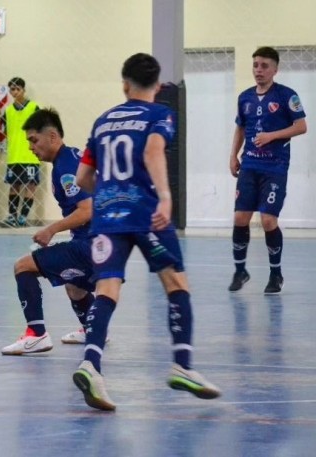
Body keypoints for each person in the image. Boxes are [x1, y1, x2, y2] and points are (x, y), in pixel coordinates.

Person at [73, 53, 220, 411]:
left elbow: (82, 179)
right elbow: (155, 151)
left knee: (107, 289)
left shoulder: (103, 120)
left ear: (125, 84)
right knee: (176, 284)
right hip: (146, 215)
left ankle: (91, 363)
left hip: (107, 218)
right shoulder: (159, 114)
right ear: (157, 86)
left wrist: (108, 193)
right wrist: (165, 197)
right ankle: (183, 365)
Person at [1, 108, 98, 355]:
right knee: (74, 286)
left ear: (53, 137)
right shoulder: (71, 158)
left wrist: (50, 230)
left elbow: (87, 210)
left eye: (34, 140)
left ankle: (36, 334)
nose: (31, 147)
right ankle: (95, 329)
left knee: (23, 266)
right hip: (104, 245)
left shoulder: (66, 167)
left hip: (90, 245)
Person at [228, 46, 307, 294]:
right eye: (255, 65)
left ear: (275, 69)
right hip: (249, 165)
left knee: (268, 220)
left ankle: (276, 274)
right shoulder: (245, 97)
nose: (258, 70)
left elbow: (301, 126)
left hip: (274, 167)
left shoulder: (287, 96)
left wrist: (271, 136)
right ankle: (240, 270)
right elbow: (240, 128)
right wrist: (233, 155)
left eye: (264, 66)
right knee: (240, 217)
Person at [3, 77, 41, 227]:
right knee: (14, 186)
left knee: (31, 186)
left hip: (30, 155)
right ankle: (12, 217)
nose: (15, 92)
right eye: (12, 89)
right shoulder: (8, 111)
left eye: (18, 89)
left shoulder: (33, 108)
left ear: (23, 90)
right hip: (14, 155)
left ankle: (23, 217)